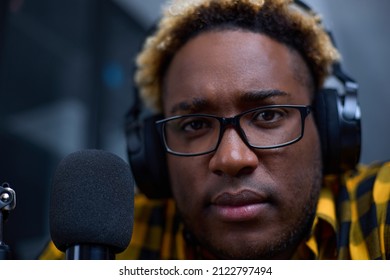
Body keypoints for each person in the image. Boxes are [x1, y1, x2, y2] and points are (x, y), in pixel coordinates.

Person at [40, 0, 390, 260]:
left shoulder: (380, 206)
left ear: (330, 128)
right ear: (153, 154)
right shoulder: (98, 248)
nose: (231, 158)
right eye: (195, 124)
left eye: (267, 116)